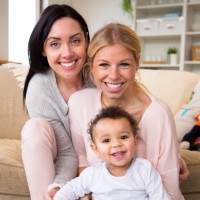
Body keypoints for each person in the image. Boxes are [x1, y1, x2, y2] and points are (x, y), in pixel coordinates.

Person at [68, 22, 186, 200]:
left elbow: (168, 190)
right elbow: (80, 155)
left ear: (137, 63)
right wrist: (89, 190)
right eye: (104, 65)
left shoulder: (159, 114)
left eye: (123, 64)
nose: (114, 75)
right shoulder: (79, 103)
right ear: (91, 65)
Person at [21, 4, 92, 200]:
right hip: (59, 156)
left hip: (100, 156)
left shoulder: (102, 76)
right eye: (55, 44)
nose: (67, 53)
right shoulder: (39, 87)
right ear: (43, 49)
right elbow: (67, 152)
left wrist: (169, 156)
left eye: (75, 41)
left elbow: (134, 118)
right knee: (34, 127)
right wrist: (59, 186)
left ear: (86, 40)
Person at [54, 106, 169, 200]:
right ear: (96, 150)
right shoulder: (93, 174)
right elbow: (71, 190)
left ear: (135, 142)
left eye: (123, 137)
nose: (116, 144)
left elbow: (160, 197)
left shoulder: (145, 169)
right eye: (106, 140)